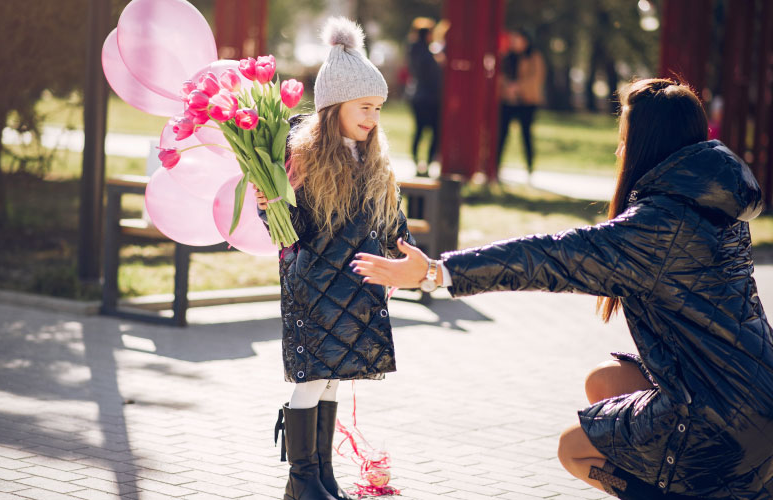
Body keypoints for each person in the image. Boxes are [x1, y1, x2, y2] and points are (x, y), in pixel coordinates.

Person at [351, 78, 773, 499]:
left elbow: (552, 258)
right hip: (755, 398)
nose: (618, 150)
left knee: (574, 449)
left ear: (649, 145)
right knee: (604, 383)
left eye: (625, 139)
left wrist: (437, 272)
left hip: (720, 424)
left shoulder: (658, 228)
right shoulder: (714, 202)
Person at [254, 17, 415, 500]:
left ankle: (320, 477)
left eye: (378, 109)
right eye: (364, 107)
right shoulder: (304, 158)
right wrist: (274, 207)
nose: (372, 117)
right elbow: (294, 234)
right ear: (333, 107)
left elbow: (389, 224)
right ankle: (302, 482)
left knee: (331, 384)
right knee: (311, 381)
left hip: (353, 292)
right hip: (313, 287)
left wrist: (408, 256)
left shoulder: (375, 160)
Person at [496, 30, 545, 177]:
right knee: (502, 134)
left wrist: (518, 87)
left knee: (526, 135)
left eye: (517, 39)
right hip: (508, 101)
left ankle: (529, 168)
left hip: (527, 102)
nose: (514, 42)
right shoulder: (507, 57)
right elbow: (500, 75)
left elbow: (536, 79)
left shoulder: (534, 57)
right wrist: (506, 88)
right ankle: (496, 167)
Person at [405, 17, 442, 176]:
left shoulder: (413, 49)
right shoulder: (425, 52)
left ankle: (418, 161)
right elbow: (432, 75)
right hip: (429, 97)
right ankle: (425, 162)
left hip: (418, 96)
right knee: (433, 131)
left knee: (420, 130)